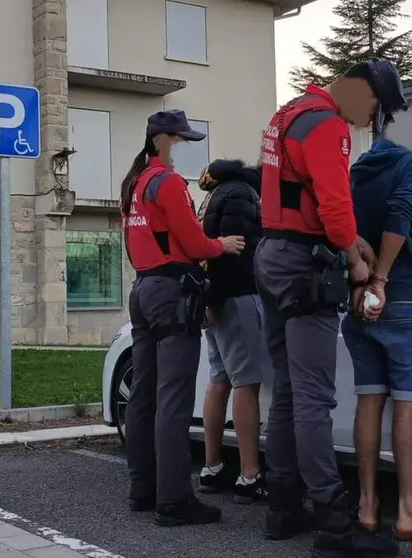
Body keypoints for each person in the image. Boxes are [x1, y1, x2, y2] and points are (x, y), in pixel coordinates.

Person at [255, 58, 404, 557]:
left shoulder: (290, 113)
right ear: (366, 92)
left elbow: (302, 196)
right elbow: (335, 204)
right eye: (375, 113)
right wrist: (358, 266)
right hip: (303, 266)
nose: (368, 125)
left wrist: (349, 240)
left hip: (272, 254)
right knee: (315, 398)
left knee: (289, 390)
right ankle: (335, 523)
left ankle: (282, 506)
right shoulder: (329, 124)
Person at [120, 109, 246, 527]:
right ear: (162, 140)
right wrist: (221, 244)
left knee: (143, 396)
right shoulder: (168, 183)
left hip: (142, 289)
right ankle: (173, 501)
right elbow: (192, 241)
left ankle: (143, 490)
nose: (184, 148)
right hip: (172, 291)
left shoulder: (134, 182)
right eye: (181, 141)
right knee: (172, 400)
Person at [344, 105, 412, 542]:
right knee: (408, 402)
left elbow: (340, 227)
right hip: (404, 294)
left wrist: (360, 280)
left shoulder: (355, 173)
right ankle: (410, 510)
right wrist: (381, 278)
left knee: (368, 400)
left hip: (356, 303)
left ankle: (367, 506)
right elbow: (403, 213)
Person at [195, 159, 271, 505]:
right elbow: (236, 252)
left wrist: (208, 300)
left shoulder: (212, 198)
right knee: (246, 382)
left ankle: (212, 467)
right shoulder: (242, 194)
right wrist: (218, 298)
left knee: (220, 378)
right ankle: (250, 474)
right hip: (237, 296)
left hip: (216, 297)